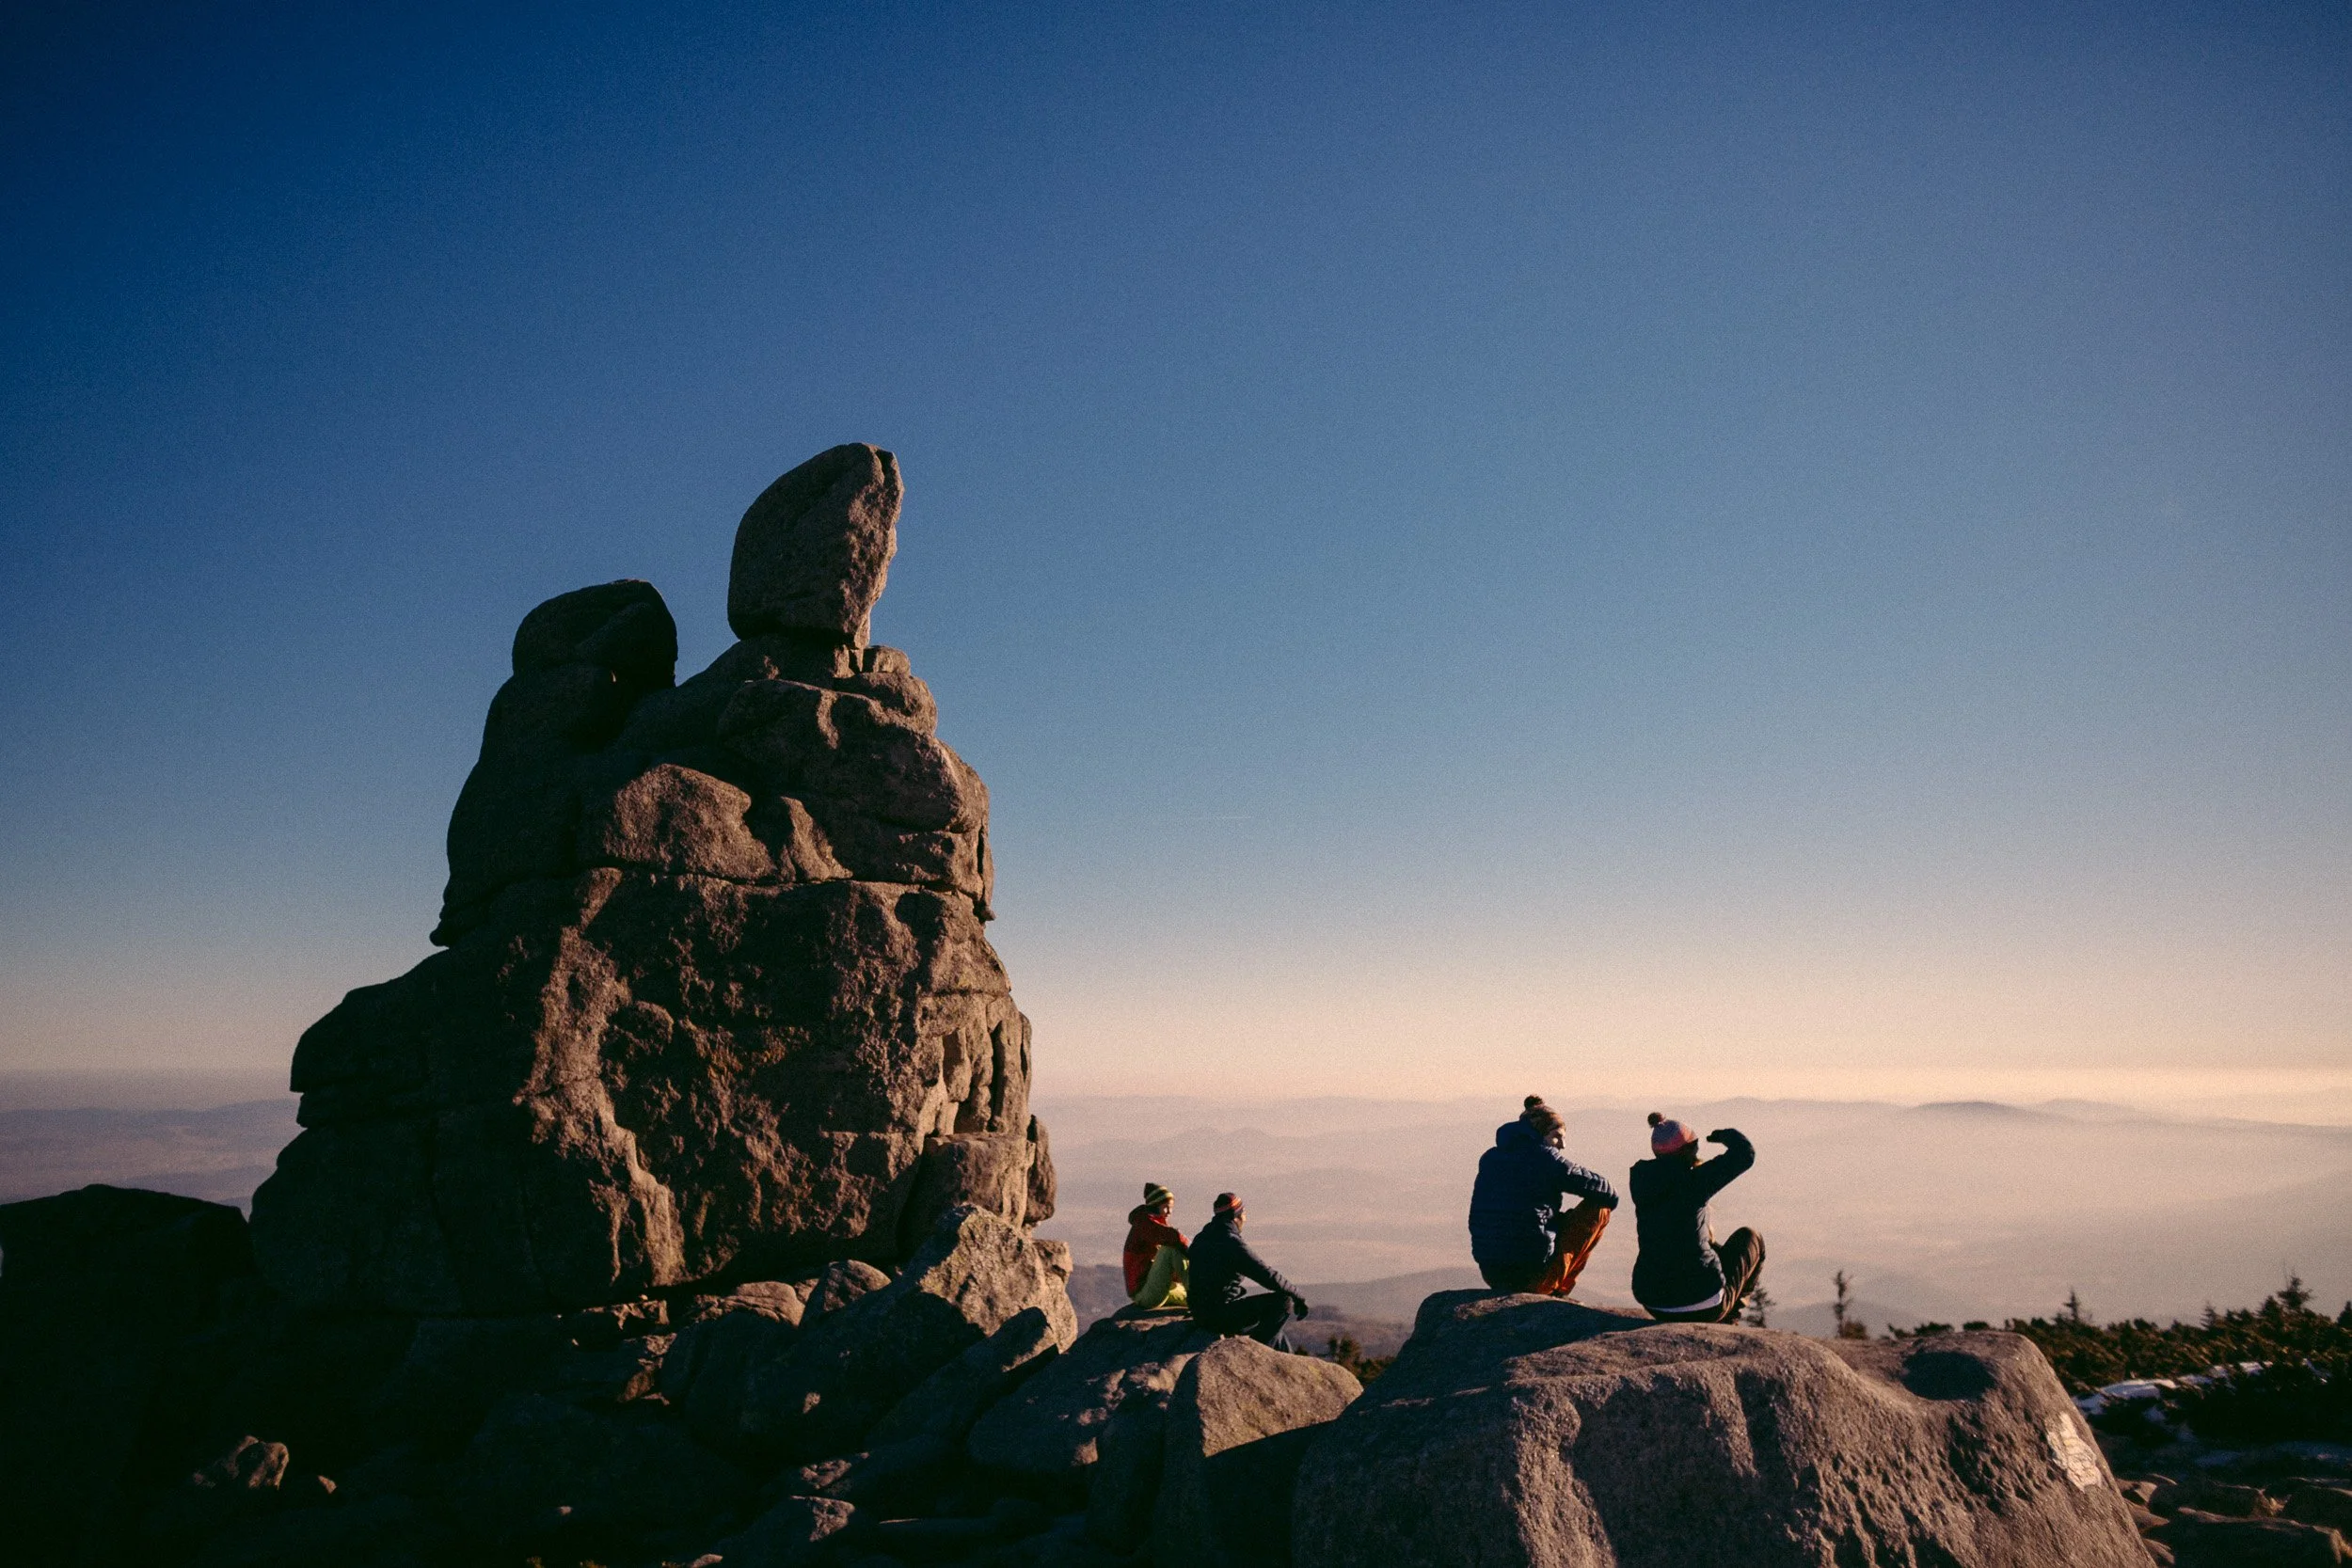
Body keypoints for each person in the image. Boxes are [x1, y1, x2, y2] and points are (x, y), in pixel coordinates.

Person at [1468, 1095, 1619, 1296]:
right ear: (1539, 1133)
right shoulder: (1545, 1159)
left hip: (1492, 1272)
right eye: (1556, 1136)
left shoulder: (1491, 1157)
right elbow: (1607, 1192)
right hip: (1530, 1275)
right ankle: (1558, 1289)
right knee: (1599, 1209)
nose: (1562, 1145)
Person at [1629, 1112, 1765, 1323]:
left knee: (1702, 1245)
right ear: (1687, 1151)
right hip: (1703, 1303)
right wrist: (1723, 1135)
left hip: (1654, 1301)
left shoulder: (1641, 1181)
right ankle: (1729, 1319)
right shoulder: (1693, 1183)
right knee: (1752, 1238)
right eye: (1696, 1144)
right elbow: (1745, 1154)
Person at [1185, 1192, 1310, 1348]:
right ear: (1236, 1216)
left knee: (1278, 1334)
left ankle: (1286, 1365)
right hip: (1218, 1316)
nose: (1245, 1218)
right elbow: (1267, 1275)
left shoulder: (1202, 1237)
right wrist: (1298, 1295)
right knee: (1283, 1303)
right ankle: (1258, 1354)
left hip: (1201, 1313)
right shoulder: (1230, 1243)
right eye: (1244, 1213)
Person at [1122, 1182, 1190, 1308]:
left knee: (1200, 1297)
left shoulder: (1151, 1223)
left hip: (1156, 1288)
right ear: (1155, 1205)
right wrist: (1193, 1250)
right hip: (1144, 1293)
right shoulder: (1144, 1223)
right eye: (1166, 1207)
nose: (1169, 1212)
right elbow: (1174, 1237)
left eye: (1171, 1208)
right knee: (1169, 1250)